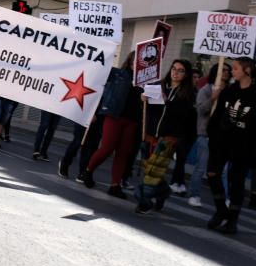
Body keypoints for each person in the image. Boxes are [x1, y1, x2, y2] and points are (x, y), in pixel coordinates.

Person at [206, 57, 256, 234]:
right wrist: (212, 133)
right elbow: (218, 114)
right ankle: (221, 210)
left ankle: (232, 220)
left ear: (247, 70)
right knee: (212, 173)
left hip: (244, 144)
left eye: (235, 68)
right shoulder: (229, 90)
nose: (232, 71)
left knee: (236, 181)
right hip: (222, 141)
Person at [135, 59, 196, 214]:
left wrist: (167, 102)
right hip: (151, 134)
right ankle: (162, 191)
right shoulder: (159, 86)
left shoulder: (188, 93)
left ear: (186, 74)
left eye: (180, 70)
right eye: (173, 68)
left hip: (169, 138)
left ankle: (144, 202)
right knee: (149, 169)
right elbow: (150, 110)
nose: (175, 72)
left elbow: (183, 115)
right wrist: (144, 100)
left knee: (152, 172)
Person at [82, 53, 143, 197]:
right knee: (107, 148)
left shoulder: (147, 81)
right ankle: (88, 171)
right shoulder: (118, 74)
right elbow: (98, 76)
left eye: (141, 61)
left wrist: (148, 96)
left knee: (123, 153)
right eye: (135, 60)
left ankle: (115, 185)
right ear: (129, 61)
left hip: (133, 120)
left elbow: (154, 102)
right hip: (114, 116)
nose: (137, 63)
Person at [187, 61, 231, 207]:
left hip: (223, 136)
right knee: (201, 167)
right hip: (206, 134)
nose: (225, 72)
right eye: (222, 70)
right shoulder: (206, 90)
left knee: (223, 170)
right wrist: (213, 98)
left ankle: (224, 198)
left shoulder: (231, 91)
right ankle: (194, 195)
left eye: (228, 70)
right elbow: (200, 110)